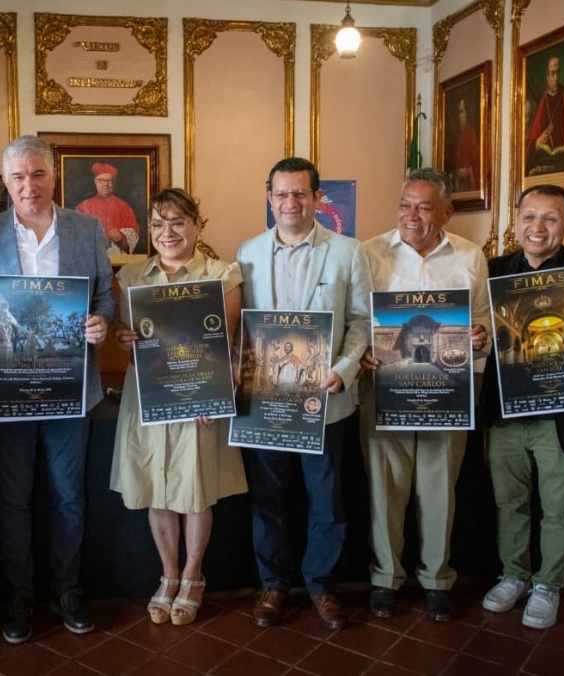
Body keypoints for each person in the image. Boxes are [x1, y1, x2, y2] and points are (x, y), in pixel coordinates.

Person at [0, 135, 116, 643]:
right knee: (13, 499)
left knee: (69, 496)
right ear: (6, 181)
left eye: (38, 174)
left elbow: (106, 296)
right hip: (10, 388)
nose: (29, 185)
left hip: (71, 386)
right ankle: (19, 595)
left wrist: (102, 323)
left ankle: (67, 588)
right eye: (19, 176)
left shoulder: (87, 228)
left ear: (53, 177)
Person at [236, 157, 372, 631]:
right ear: (269, 198)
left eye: (299, 193)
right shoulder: (247, 253)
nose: (289, 202)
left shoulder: (348, 252)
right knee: (268, 500)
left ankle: (321, 585)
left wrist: (344, 369)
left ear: (316, 198)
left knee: (326, 501)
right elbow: (240, 326)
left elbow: (362, 322)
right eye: (281, 194)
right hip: (266, 401)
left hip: (325, 400)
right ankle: (273, 585)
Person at [110, 188, 247, 626]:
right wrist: (123, 337)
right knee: (157, 485)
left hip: (198, 396)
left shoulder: (223, 274)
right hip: (149, 395)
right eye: (157, 224)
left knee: (195, 487)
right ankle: (168, 574)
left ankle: (193, 576)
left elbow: (223, 342)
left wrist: (211, 393)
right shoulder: (131, 277)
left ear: (197, 225)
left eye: (177, 222)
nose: (167, 232)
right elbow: (126, 335)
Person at [359, 167, 491, 622]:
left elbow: (483, 320)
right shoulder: (369, 253)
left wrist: (479, 335)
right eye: (404, 205)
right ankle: (386, 577)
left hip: (448, 391)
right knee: (385, 487)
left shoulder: (470, 256)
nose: (410, 216)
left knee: (439, 488)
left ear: (447, 212)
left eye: (423, 207)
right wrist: (363, 352)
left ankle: (436, 578)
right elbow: (358, 320)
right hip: (385, 387)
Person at [479, 185, 564, 629]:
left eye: (550, 218)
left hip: (562, 416)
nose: (537, 227)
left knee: (557, 507)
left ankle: (548, 583)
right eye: (529, 216)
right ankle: (513, 574)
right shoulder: (492, 271)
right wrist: (476, 336)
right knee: (509, 502)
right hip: (505, 412)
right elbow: (481, 337)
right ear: (516, 221)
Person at [525, 56, 564, 176]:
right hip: (544, 169)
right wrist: (537, 142)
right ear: (547, 75)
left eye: (558, 73)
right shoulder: (542, 102)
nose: (555, 78)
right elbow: (531, 141)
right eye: (552, 74)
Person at [75, 162, 140, 256]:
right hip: (92, 257)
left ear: (114, 183)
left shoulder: (124, 206)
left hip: (119, 258)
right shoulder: (83, 207)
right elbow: (78, 234)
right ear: (95, 182)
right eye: (101, 180)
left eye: (109, 181)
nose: (106, 184)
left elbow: (134, 230)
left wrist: (121, 236)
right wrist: (104, 236)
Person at [452, 97, 479, 192]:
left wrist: (466, 171)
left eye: (461, 112)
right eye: (458, 112)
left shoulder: (470, 133)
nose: (459, 116)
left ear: (466, 113)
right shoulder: (455, 135)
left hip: (467, 182)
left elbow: (475, 162)